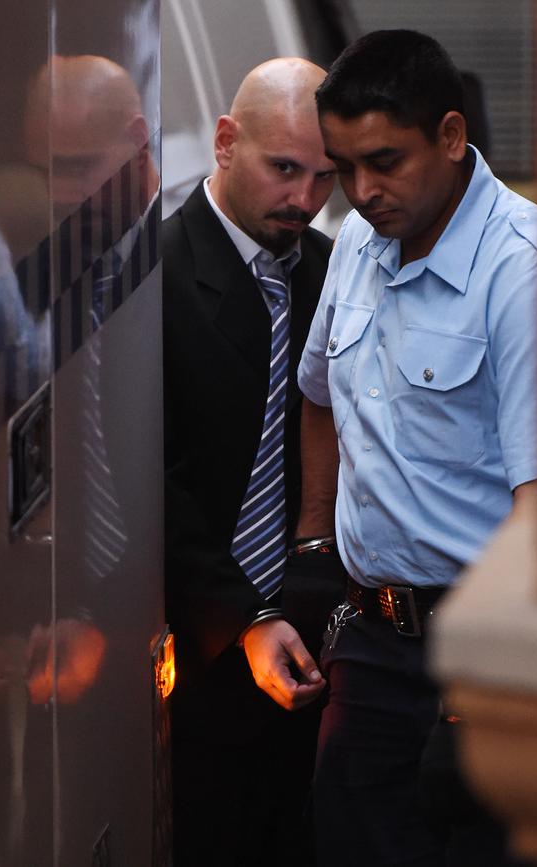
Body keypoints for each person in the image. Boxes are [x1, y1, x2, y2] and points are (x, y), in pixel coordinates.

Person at [295, 30, 537, 867]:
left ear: (450, 134)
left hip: (482, 665)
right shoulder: (363, 238)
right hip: (368, 644)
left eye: (385, 161)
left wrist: (479, 694)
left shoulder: (522, 270)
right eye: (343, 166)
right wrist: (313, 546)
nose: (362, 192)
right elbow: (319, 396)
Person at [163, 58, 344, 867]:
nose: (305, 201)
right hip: (196, 650)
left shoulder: (335, 272)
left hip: (317, 637)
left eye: (324, 177)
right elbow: (151, 484)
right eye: (285, 170)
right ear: (226, 142)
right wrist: (244, 617)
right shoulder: (152, 278)